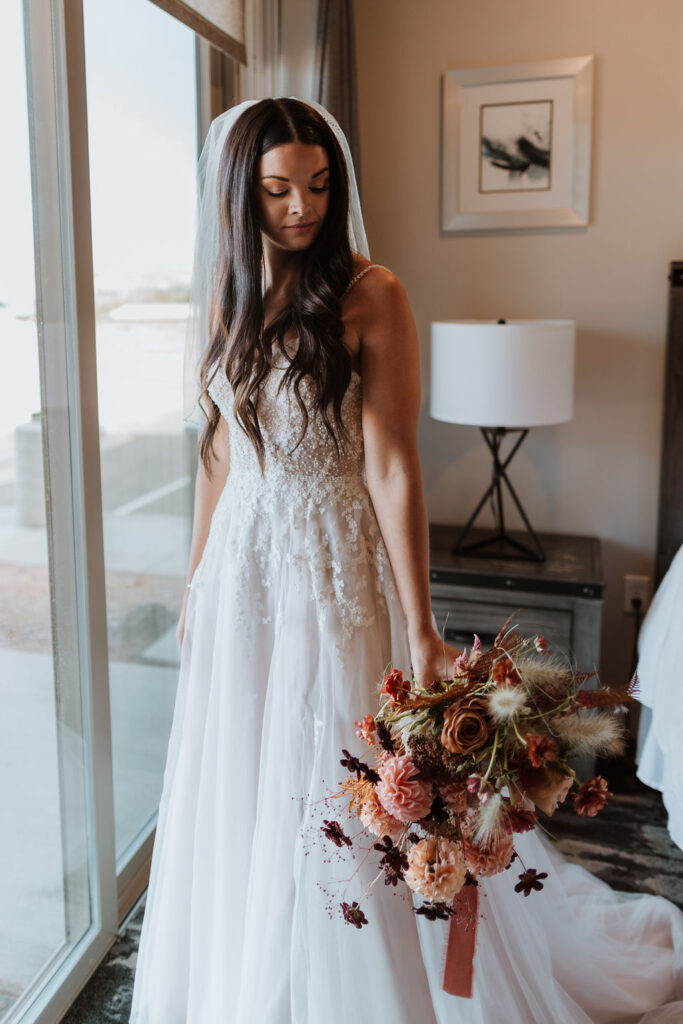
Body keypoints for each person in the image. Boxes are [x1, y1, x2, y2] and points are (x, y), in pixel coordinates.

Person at [128, 97, 683, 1024]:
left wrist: (421, 622)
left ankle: (355, 974)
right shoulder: (226, 295)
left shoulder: (369, 291)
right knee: (241, 768)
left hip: (329, 562)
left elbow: (390, 463)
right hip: (242, 570)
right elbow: (219, 453)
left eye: (315, 186)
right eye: (275, 192)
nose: (300, 208)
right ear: (239, 197)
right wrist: (194, 581)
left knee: (333, 765)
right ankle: (246, 967)